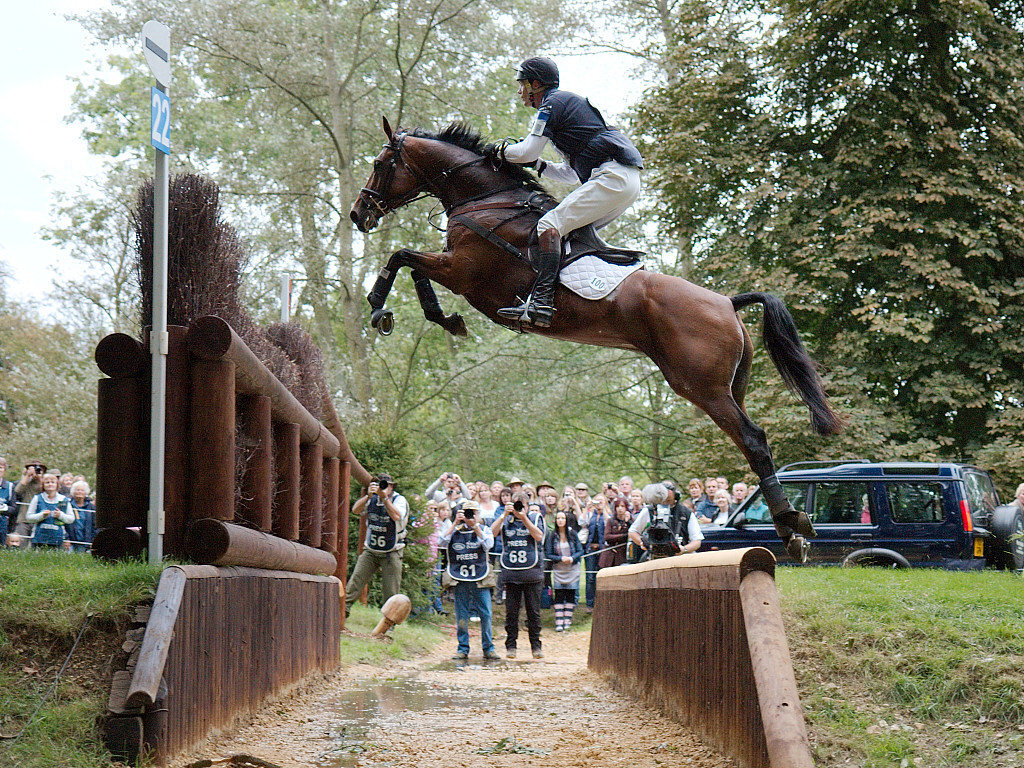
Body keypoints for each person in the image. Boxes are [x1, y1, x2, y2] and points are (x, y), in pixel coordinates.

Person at [488, 56, 643, 328]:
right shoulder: (564, 106)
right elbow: (570, 174)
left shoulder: (551, 104)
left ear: (536, 84)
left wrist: (499, 151)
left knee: (549, 224)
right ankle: (586, 287)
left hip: (613, 177)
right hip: (623, 181)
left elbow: (526, 150)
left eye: (523, 84)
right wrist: (541, 166)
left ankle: (541, 301)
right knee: (571, 232)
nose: (520, 91)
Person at [439, 500, 500, 660]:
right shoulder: (454, 530)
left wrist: (476, 527)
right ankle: (462, 648)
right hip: (460, 577)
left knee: (485, 613)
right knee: (462, 614)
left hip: (480, 575)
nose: (470, 516)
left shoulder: (484, 529)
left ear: (478, 514)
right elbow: (440, 542)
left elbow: (489, 545)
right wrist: (455, 524)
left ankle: (488, 648)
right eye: (467, 513)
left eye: (473, 513)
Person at [344, 474, 409, 616]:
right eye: (380, 484)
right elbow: (355, 510)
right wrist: (368, 496)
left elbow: (397, 516)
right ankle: (342, 614)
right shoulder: (371, 498)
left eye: (386, 485)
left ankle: (388, 626)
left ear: (392, 487)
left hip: (392, 551)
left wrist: (385, 498)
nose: (382, 488)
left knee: (391, 591)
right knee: (355, 582)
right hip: (371, 550)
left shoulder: (399, 500)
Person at [492, 492, 546, 658]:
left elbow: (539, 536)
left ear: (527, 505)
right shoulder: (505, 519)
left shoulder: (535, 518)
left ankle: (536, 647)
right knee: (512, 613)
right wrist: (504, 516)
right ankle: (511, 646)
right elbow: (492, 534)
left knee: (533, 612)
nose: (518, 508)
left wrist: (524, 518)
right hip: (511, 573)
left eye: (521, 505)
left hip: (532, 573)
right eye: (516, 504)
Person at [628, 481, 703, 560]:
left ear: (675, 498)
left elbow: (697, 541)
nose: (664, 504)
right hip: (654, 558)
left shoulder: (685, 513)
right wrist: (643, 543)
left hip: (680, 559)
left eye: (668, 501)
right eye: (661, 501)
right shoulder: (649, 510)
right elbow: (632, 531)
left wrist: (683, 549)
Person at [545, 509, 584, 631]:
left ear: (566, 521)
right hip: (559, 569)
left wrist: (572, 558)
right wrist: (560, 558)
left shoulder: (572, 534)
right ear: (555, 521)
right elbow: (548, 553)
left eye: (563, 518)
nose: (560, 520)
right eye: (558, 518)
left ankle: (567, 621)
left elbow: (580, 550)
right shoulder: (552, 535)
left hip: (572, 568)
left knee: (570, 593)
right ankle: (559, 622)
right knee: (559, 594)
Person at [25, 473, 74, 548]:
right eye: (47, 482)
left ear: (57, 485)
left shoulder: (63, 499)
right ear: (43, 485)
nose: (50, 484)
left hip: (57, 538)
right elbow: (29, 517)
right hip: (39, 538)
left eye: (53, 482)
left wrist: (60, 515)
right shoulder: (37, 498)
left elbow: (71, 519)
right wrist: (42, 515)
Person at [583, 493, 609, 610]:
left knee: (602, 576)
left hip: (603, 550)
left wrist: (604, 510)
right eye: (596, 501)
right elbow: (582, 522)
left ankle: (601, 602)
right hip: (590, 549)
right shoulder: (590, 514)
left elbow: (609, 523)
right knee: (590, 577)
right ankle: (590, 604)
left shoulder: (608, 514)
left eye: (601, 501)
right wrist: (586, 507)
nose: (598, 503)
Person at [13, 460, 46, 540]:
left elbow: (46, 492)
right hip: (24, 518)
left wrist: (39, 479)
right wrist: (27, 476)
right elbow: (17, 491)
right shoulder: (25, 482)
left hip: (40, 518)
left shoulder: (46, 482)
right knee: (21, 543)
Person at [600, 497, 633, 568]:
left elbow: (633, 533)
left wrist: (628, 521)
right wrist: (624, 536)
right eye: (617, 506)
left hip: (623, 554)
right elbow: (607, 537)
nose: (620, 508)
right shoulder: (610, 521)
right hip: (609, 555)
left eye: (622, 506)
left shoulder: (630, 521)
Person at [65, 480, 96, 552]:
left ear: (86, 492)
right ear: (73, 492)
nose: (79, 492)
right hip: (71, 543)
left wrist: (93, 540)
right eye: (77, 490)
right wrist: (66, 538)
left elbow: (95, 526)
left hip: (86, 543)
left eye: (82, 490)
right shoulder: (68, 505)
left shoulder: (91, 507)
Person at [0, 457, 14, 543]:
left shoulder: (10, 486)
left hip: (2, 525)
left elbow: (13, 508)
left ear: (4, 469)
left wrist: (3, 508)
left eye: (0, 467)